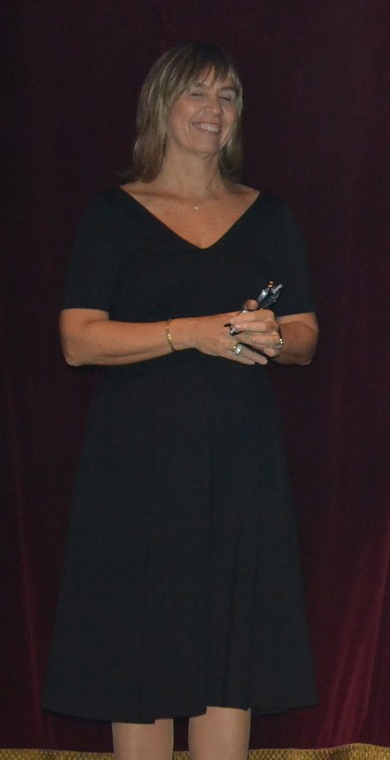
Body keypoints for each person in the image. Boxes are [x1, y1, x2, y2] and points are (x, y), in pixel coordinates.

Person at [43, 42, 318, 759]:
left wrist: (273, 336)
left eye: (227, 95)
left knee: (231, 655)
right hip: (137, 464)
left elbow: (305, 336)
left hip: (240, 461)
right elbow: (78, 339)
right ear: (160, 106)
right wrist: (187, 333)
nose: (213, 108)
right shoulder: (113, 213)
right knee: (141, 650)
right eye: (197, 92)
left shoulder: (268, 214)